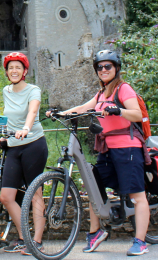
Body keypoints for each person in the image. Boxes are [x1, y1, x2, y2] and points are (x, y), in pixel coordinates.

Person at [52, 50, 150, 256]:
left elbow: (137, 114)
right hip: (106, 149)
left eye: (108, 66)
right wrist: (59, 113)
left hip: (127, 148)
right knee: (94, 188)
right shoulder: (101, 94)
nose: (104, 70)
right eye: (100, 67)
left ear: (116, 69)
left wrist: (118, 110)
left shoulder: (123, 89)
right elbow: (83, 108)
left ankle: (140, 241)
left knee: (137, 195)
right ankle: (96, 233)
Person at [0, 52, 48, 256]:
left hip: (33, 144)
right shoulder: (6, 90)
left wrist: (26, 128)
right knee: (6, 196)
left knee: (35, 193)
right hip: (13, 146)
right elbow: (7, 114)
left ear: (25, 71)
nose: (14, 71)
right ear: (7, 72)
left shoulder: (33, 90)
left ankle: (36, 241)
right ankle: (23, 237)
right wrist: (2, 134)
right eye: (11, 68)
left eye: (18, 67)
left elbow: (32, 111)